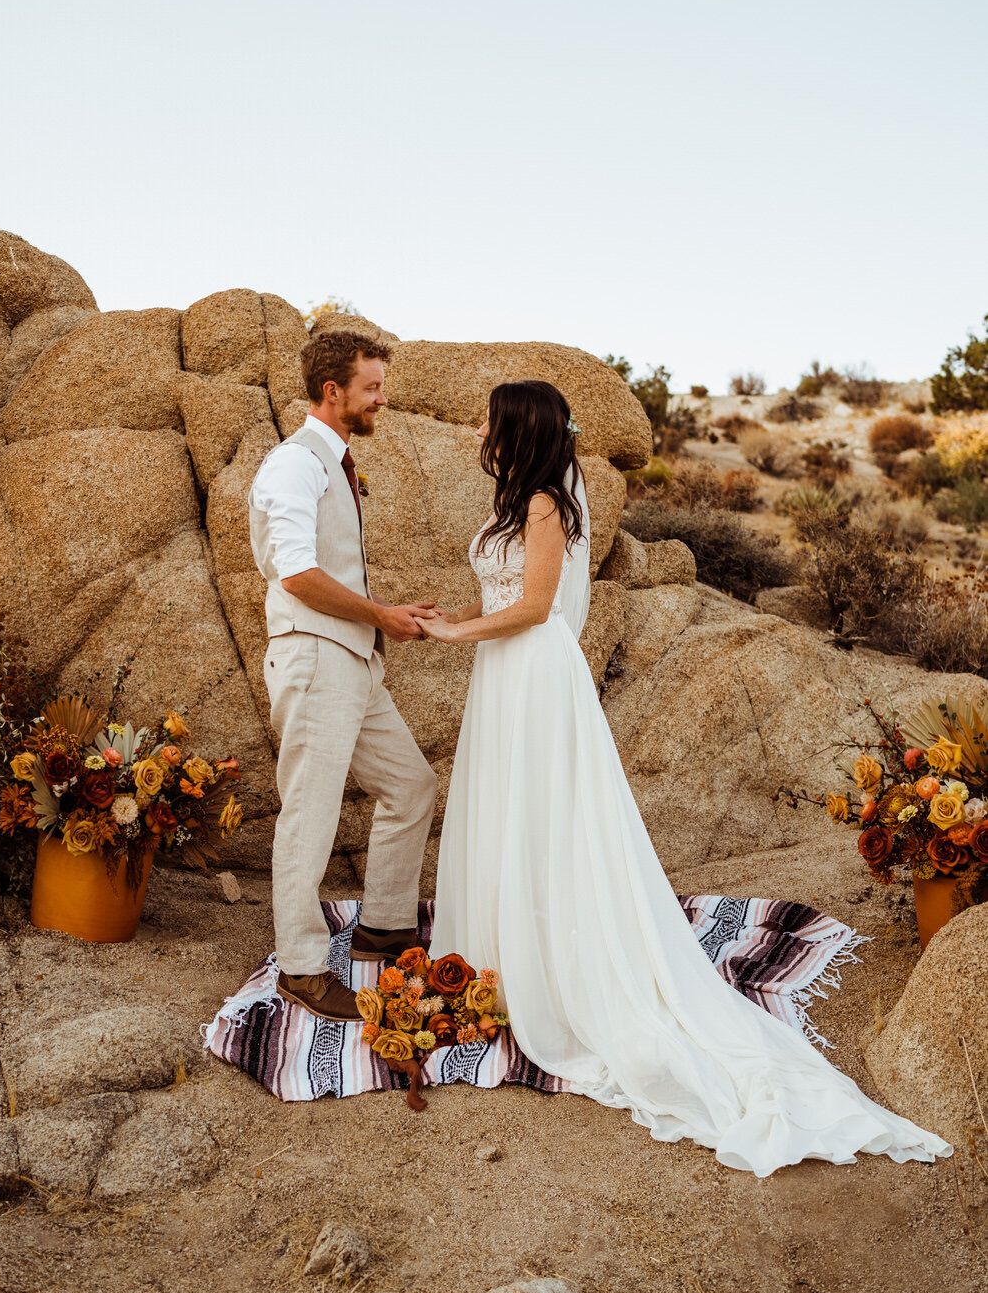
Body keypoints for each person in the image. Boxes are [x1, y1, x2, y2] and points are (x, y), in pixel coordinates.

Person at [421, 379, 951, 1176]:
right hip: (502, 672)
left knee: (542, 813)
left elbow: (533, 608)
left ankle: (553, 971)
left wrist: (457, 631)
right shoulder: (513, 503)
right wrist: (453, 617)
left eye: (487, 423)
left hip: (531, 671)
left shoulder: (542, 505)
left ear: (517, 431)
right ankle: (500, 953)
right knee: (508, 811)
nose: (477, 435)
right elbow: (503, 597)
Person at [248, 329, 438, 1022]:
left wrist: (379, 621)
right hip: (315, 656)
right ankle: (300, 967)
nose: (381, 400)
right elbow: (296, 574)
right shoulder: (294, 464)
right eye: (372, 388)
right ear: (333, 392)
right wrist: (383, 615)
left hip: (354, 660)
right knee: (310, 810)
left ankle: (384, 925)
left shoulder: (334, 461)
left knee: (411, 784)